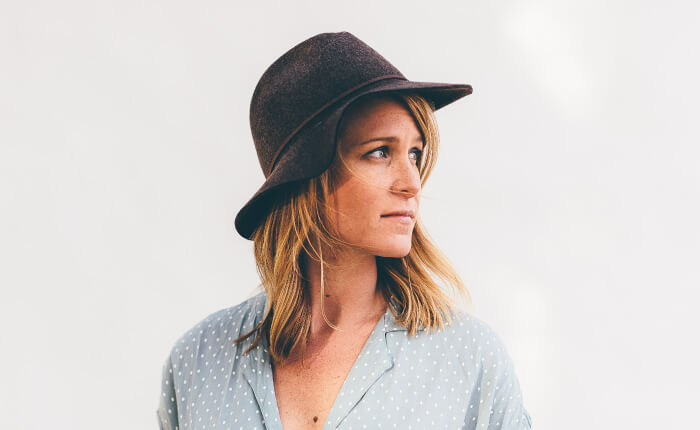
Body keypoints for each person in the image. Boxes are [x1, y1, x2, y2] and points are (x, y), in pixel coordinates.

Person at [157, 31, 532, 430]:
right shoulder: (197, 361)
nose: (411, 182)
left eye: (415, 154)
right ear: (304, 178)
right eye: (379, 152)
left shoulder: (469, 359)